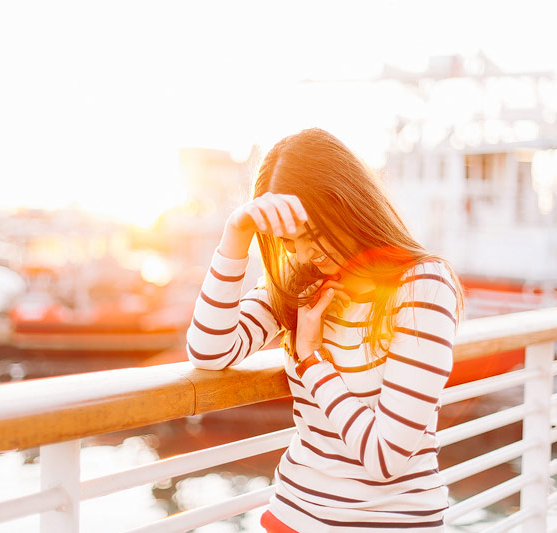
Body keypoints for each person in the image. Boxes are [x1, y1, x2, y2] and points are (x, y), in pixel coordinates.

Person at [186, 128, 463, 532]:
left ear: (345, 203)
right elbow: (209, 351)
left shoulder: (421, 285)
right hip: (292, 516)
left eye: (310, 235)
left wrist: (311, 361)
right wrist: (236, 235)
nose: (303, 253)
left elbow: (385, 457)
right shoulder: (301, 281)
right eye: (289, 242)